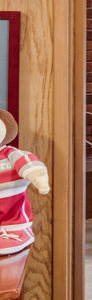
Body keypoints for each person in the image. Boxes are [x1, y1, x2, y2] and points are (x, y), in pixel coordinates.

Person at [0, 109, 48, 255]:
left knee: (13, 218)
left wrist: (38, 176)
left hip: (11, 213)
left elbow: (27, 161)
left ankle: (15, 233)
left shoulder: (9, 153)